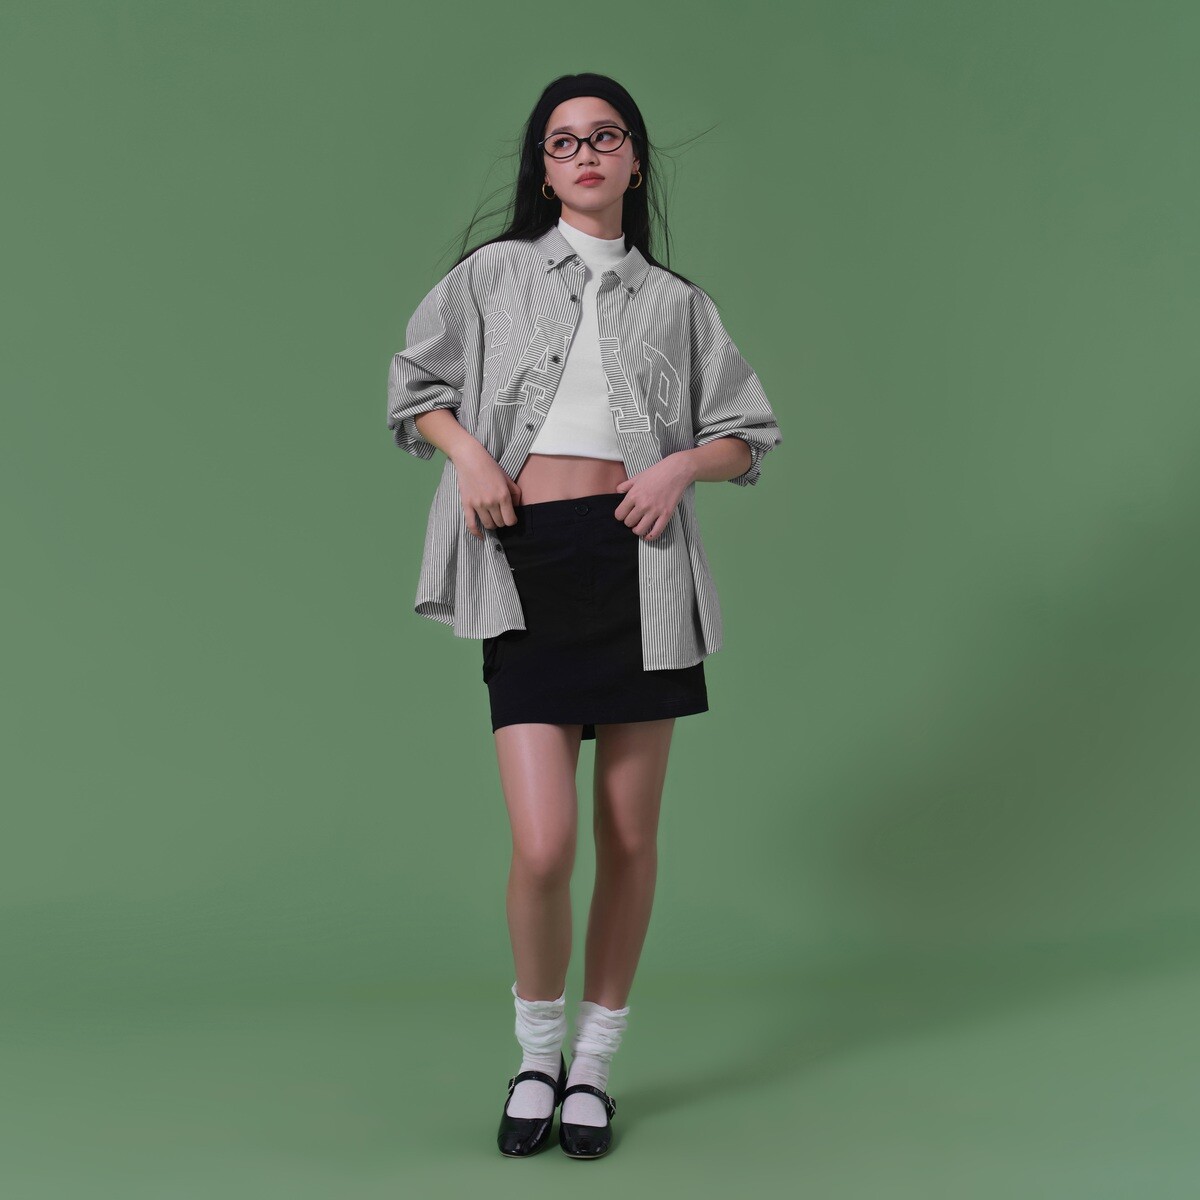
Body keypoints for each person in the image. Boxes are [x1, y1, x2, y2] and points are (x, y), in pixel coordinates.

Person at [386, 72, 782, 1159]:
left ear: (635, 160)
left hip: (640, 565)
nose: (587, 154)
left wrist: (681, 468)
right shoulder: (494, 275)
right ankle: (535, 1056)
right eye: (564, 142)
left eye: (606, 137)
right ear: (544, 167)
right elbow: (415, 390)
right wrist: (470, 458)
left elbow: (748, 435)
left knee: (629, 835)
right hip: (524, 561)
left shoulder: (679, 305)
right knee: (545, 843)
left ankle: (594, 1068)